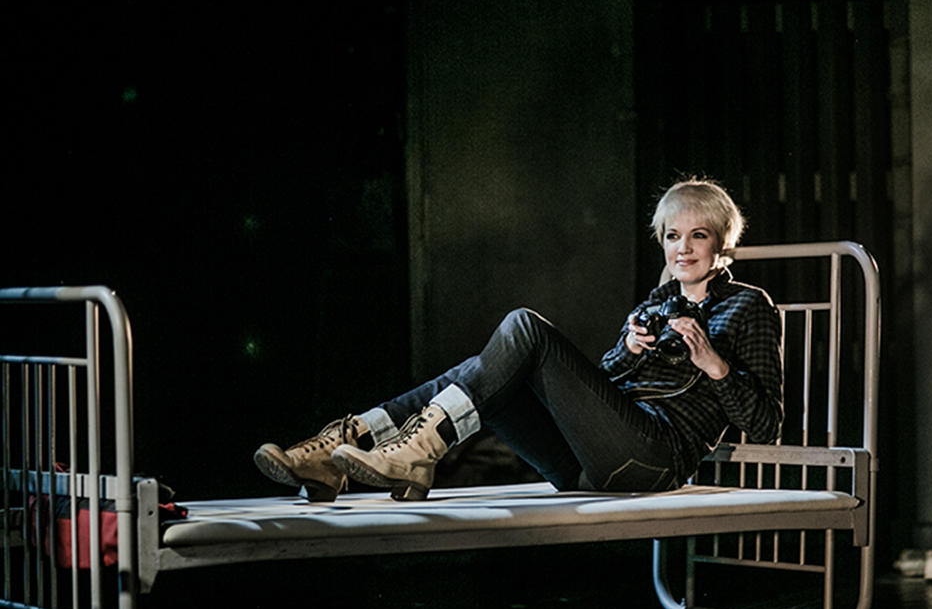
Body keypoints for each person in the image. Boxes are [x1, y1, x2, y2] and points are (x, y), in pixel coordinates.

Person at [254, 177, 783, 502]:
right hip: (583, 462)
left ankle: (410, 450)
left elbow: (767, 425)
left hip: (653, 461)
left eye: (698, 235)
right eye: (672, 236)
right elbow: (598, 390)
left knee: (523, 327)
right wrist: (628, 350)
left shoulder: (748, 306)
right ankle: (344, 447)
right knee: (482, 370)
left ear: (721, 242)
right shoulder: (654, 304)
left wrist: (714, 364)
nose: (683, 249)